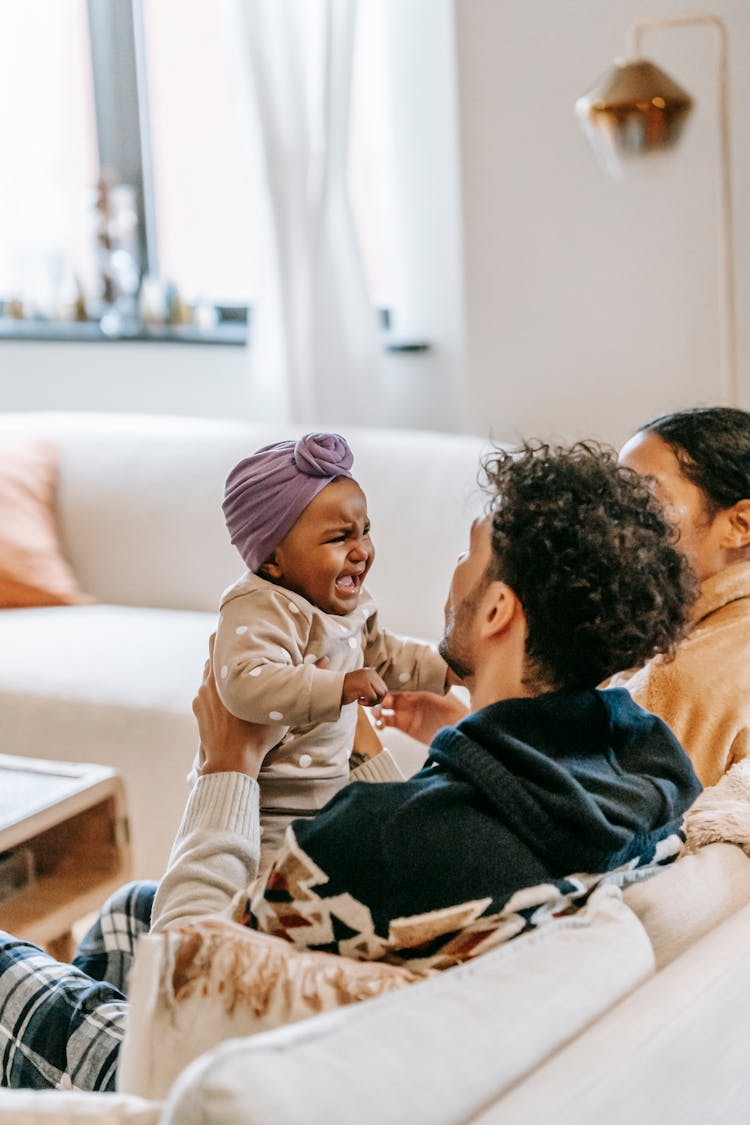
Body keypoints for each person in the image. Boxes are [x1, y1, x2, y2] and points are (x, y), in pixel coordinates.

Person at [0, 441, 703, 1091]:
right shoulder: (648, 766)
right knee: (128, 907)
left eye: (468, 554)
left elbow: (182, 986)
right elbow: (434, 826)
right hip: (415, 1005)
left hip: (197, 1075)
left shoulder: (374, 841)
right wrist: (372, 748)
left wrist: (226, 767)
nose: (451, 571)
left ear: (496, 609)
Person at [382, 408, 750, 789]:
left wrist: (368, 753)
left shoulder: (684, 682)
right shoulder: (678, 644)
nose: (615, 517)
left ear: (740, 525)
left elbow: (572, 828)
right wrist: (461, 731)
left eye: (642, 497)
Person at [212, 431, 450, 866]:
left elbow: (382, 655)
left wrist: (448, 667)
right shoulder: (260, 606)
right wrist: (337, 686)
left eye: (365, 531)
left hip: (335, 793)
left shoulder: (346, 606)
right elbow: (246, 683)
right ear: (272, 559)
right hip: (271, 815)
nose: (361, 551)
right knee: (272, 902)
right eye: (340, 538)